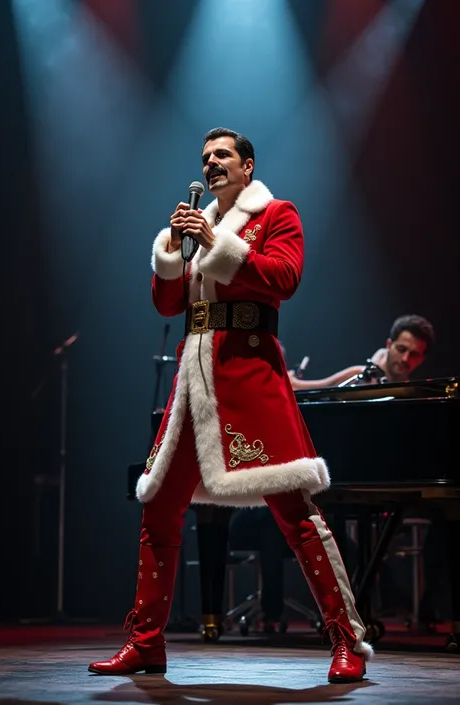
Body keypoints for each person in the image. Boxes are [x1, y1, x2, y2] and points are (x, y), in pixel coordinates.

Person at [88, 127, 373, 683]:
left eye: (221, 155)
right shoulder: (199, 227)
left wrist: (218, 245)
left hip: (250, 379)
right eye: (204, 157)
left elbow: (283, 279)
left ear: (246, 166)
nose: (211, 163)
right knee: (159, 509)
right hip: (193, 387)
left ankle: (348, 641)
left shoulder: (276, 215)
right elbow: (168, 302)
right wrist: (173, 249)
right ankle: (146, 643)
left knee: (296, 515)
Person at [289, 314, 435, 390]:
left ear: (422, 359)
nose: (405, 358)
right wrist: (293, 381)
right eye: (401, 349)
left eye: (414, 354)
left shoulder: (411, 395)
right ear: (389, 344)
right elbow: (313, 389)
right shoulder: (356, 375)